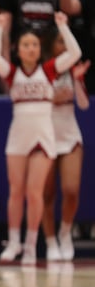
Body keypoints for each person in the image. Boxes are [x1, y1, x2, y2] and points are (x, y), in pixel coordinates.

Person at [0, 11, 81, 265]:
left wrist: (63, 27)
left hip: (43, 136)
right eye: (26, 45)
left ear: (40, 50)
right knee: (15, 191)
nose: (30, 49)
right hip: (18, 136)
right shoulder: (12, 73)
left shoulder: (50, 70)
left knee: (35, 192)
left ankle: (31, 246)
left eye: (35, 45)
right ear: (19, 50)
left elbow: (75, 54)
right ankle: (14, 240)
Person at [42, 38, 89, 261]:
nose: (63, 46)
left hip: (69, 135)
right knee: (47, 194)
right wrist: (52, 99)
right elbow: (33, 101)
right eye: (59, 41)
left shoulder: (72, 70)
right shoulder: (43, 71)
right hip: (46, 136)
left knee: (71, 190)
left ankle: (65, 232)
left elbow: (83, 105)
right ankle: (50, 241)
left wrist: (78, 81)